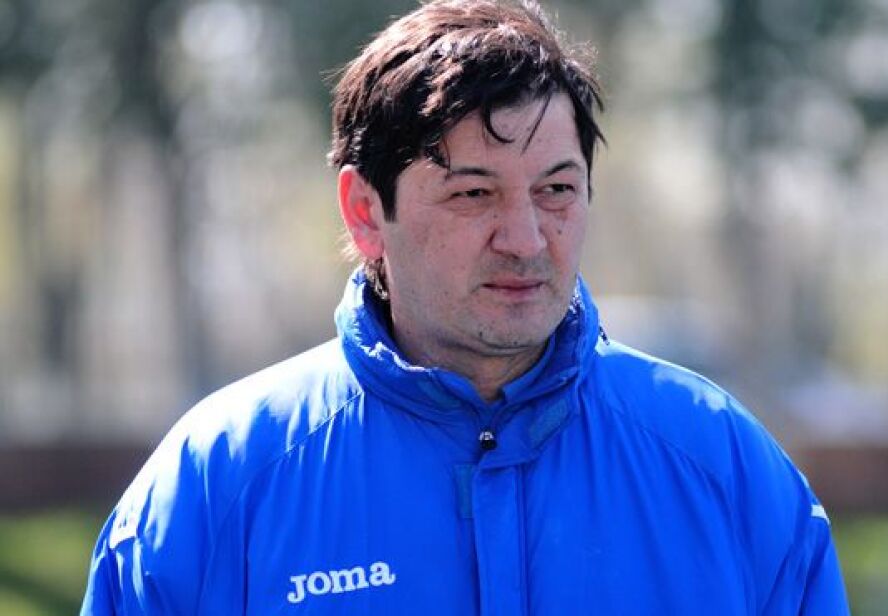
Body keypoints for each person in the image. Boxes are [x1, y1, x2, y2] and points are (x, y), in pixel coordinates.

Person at [81, 1, 848, 614]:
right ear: (364, 211)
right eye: (473, 193)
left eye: (556, 190)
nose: (526, 239)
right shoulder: (216, 486)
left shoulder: (723, 469)